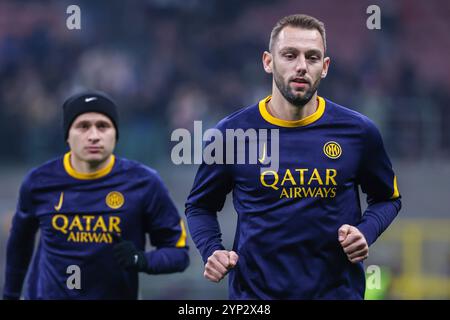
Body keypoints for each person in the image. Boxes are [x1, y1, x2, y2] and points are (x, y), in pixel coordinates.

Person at [185, 14, 401, 299]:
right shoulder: (231, 133)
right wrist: (212, 250)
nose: (301, 66)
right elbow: (199, 206)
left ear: (324, 67)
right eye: (289, 55)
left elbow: (388, 198)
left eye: (312, 57)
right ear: (268, 61)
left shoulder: (359, 132)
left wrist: (366, 231)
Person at [3, 91, 189, 300]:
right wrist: (10, 296)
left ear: (115, 134)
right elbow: (19, 246)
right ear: (67, 134)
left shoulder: (144, 183)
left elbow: (179, 254)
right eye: (83, 126)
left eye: (103, 126)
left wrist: (141, 259)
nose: (93, 136)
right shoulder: (39, 182)